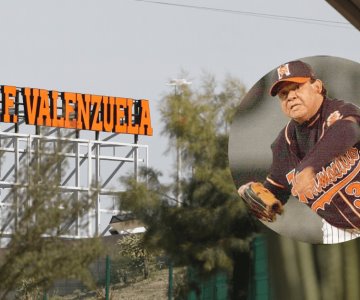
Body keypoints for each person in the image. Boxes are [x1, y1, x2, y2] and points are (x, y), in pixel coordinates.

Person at [239, 60, 360, 244]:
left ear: (317, 87)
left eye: (297, 88)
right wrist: (252, 199)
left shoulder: (340, 112)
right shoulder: (284, 145)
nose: (291, 97)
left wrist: (310, 166)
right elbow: (276, 191)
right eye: (284, 93)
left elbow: (348, 131)